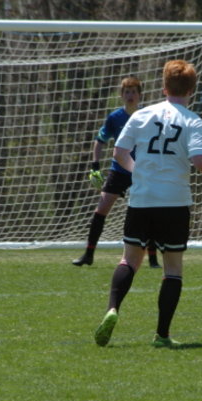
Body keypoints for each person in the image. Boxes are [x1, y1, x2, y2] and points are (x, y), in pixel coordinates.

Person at [94, 60, 202, 348]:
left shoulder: (141, 115)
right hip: (174, 202)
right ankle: (162, 335)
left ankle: (112, 308)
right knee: (172, 268)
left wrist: (137, 171)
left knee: (129, 260)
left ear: (164, 87)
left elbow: (119, 152)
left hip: (142, 199)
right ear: (191, 90)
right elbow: (199, 160)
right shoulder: (193, 120)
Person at [72, 76, 161, 268]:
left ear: (140, 95)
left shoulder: (147, 116)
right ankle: (88, 254)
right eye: (127, 92)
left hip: (141, 170)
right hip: (119, 170)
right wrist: (95, 165)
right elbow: (100, 141)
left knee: (149, 211)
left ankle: (153, 259)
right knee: (101, 209)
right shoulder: (115, 117)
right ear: (121, 95)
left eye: (133, 92)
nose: (130, 95)